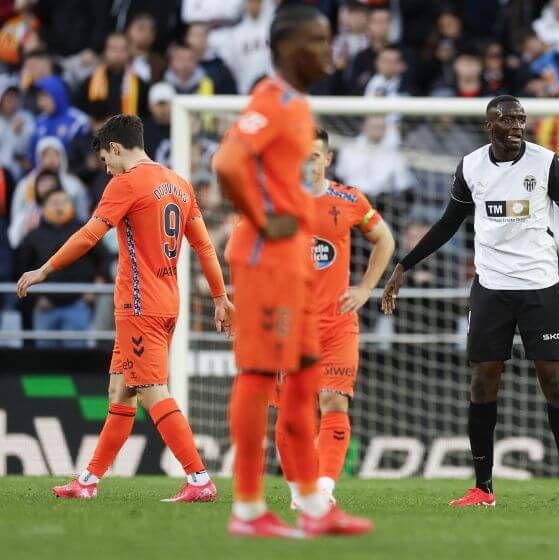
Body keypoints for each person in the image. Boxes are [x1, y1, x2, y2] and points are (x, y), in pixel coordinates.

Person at [381, 94, 559, 510]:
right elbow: (449, 220)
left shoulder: (547, 163)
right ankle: (483, 488)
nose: (517, 126)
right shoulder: (471, 166)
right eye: (508, 120)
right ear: (490, 126)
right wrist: (403, 265)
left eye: (521, 119)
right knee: (483, 379)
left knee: (554, 380)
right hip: (491, 287)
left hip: (540, 284)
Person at [211, 4, 372, 539]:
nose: (328, 50)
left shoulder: (299, 107)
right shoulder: (272, 99)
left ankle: (313, 503)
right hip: (266, 262)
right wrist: (262, 219)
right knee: (260, 378)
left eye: (329, 39)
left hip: (296, 268)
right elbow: (227, 162)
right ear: (285, 48)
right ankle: (249, 509)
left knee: (303, 381)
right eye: (316, 40)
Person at [16, 114, 231, 502]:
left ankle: (199, 478)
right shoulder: (180, 184)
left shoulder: (127, 183)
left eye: (105, 160)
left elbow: (88, 236)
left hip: (139, 305)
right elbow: (205, 247)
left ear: (115, 148)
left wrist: (45, 269)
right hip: (167, 302)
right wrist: (219, 297)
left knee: (151, 391)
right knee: (120, 392)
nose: (106, 168)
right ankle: (88, 481)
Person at [275, 127, 395, 506]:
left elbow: (385, 239)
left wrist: (364, 289)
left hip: (337, 324)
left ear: (327, 159)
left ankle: (324, 489)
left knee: (334, 402)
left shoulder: (348, 200)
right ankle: (298, 491)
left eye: (314, 156)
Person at [15, 180, 109, 348]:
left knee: (75, 363)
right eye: (54, 203)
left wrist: (97, 284)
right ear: (44, 206)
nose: (60, 206)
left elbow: (104, 257)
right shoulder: (33, 236)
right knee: (46, 364)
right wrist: (36, 299)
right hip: (45, 307)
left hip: (78, 304)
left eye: (64, 202)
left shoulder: (85, 230)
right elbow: (22, 268)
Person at [76, 33, 149, 119]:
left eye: (122, 49)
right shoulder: (90, 82)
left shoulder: (139, 84)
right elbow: (79, 111)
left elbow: (145, 115)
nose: (117, 54)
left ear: (129, 52)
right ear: (104, 51)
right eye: (113, 49)